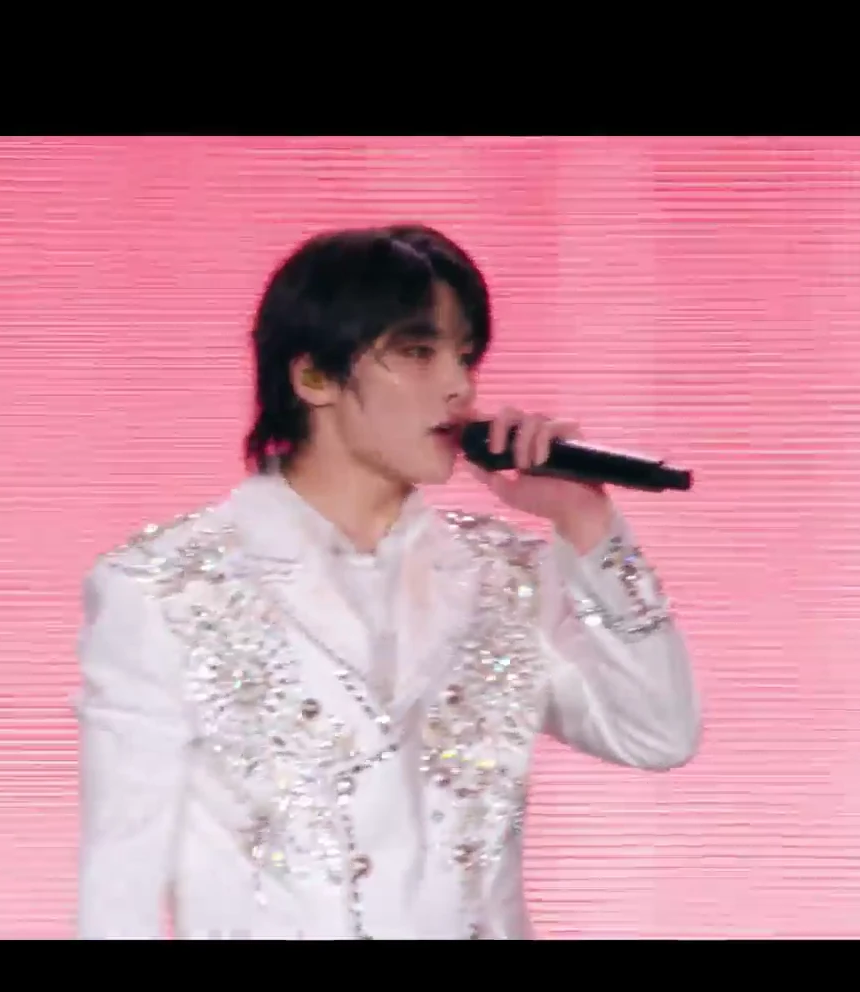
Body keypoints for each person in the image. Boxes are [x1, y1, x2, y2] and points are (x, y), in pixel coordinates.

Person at [74, 223, 702, 939]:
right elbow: (119, 883)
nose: (459, 386)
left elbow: (658, 733)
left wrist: (585, 521)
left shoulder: (504, 575)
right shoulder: (165, 588)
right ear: (312, 376)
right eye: (417, 352)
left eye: (465, 355)